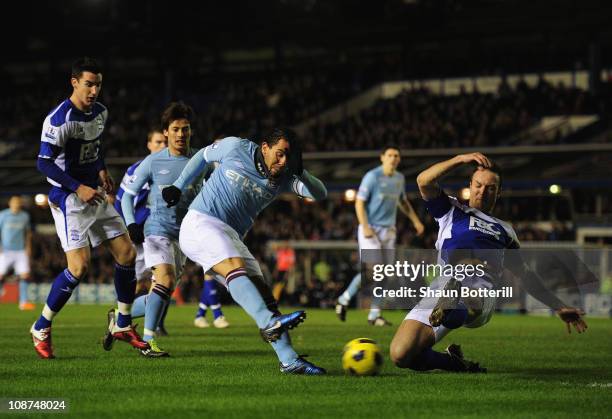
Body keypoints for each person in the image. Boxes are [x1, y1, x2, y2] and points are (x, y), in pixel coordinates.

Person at [389, 153, 588, 372]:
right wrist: (459, 160)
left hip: (480, 294)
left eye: (490, 188)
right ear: (470, 185)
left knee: (467, 296)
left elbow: (525, 275)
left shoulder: (505, 230)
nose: (482, 191)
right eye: (478, 185)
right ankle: (455, 363)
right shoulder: (450, 211)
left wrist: (558, 306)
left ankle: (453, 304)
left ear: (498, 192)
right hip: (441, 290)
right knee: (401, 355)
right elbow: (423, 180)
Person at [163, 127, 327, 374]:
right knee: (235, 267)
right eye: (279, 154)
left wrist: (301, 172)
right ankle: (270, 324)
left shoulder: (283, 178)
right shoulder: (236, 147)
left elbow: (320, 194)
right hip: (201, 222)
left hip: (231, 236)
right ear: (264, 147)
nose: (282, 162)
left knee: (265, 297)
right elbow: (202, 157)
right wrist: (178, 185)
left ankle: (289, 360)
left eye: (288, 157)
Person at [31, 57, 147, 359]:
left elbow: (93, 148)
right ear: (74, 83)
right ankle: (41, 326)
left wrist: (102, 171)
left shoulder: (100, 112)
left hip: (93, 193)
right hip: (69, 198)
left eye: (98, 84)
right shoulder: (59, 119)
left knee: (127, 254)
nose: (94, 90)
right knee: (79, 267)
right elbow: (43, 162)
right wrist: (77, 187)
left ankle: (122, 324)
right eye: (88, 84)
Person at [111, 102, 202, 357]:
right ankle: (148, 342)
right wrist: (130, 224)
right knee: (165, 280)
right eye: (176, 129)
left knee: (161, 293)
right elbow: (127, 196)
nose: (181, 134)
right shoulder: (153, 162)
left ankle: (119, 316)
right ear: (166, 132)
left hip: (184, 235)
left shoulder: (199, 161)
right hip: (156, 229)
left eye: (186, 129)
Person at [335, 145, 424, 325]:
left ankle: (374, 315)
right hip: (371, 229)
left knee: (386, 274)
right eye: (390, 155)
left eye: (396, 155)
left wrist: (416, 221)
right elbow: (359, 203)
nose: (393, 158)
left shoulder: (399, 178)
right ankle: (344, 299)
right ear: (382, 157)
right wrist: (365, 226)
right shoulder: (372, 177)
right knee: (373, 271)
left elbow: (403, 202)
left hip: (389, 230)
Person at [0, 196, 35, 310]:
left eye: (18, 202)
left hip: (20, 250)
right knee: (1, 275)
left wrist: (28, 247)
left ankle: (23, 303)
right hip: (5, 250)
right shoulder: (3, 215)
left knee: (24, 275)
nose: (16, 204)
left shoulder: (25, 216)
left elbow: (28, 233)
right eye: (14, 202)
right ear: (10, 203)